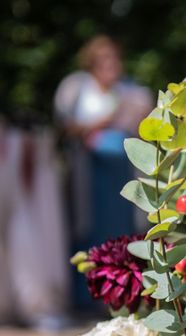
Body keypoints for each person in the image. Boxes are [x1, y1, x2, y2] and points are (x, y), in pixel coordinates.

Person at [54, 35, 152, 310]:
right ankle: (86, 297)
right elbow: (65, 127)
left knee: (120, 233)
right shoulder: (75, 88)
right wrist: (103, 122)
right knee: (88, 230)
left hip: (121, 173)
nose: (110, 64)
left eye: (113, 58)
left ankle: (120, 298)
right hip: (89, 173)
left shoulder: (131, 91)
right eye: (103, 60)